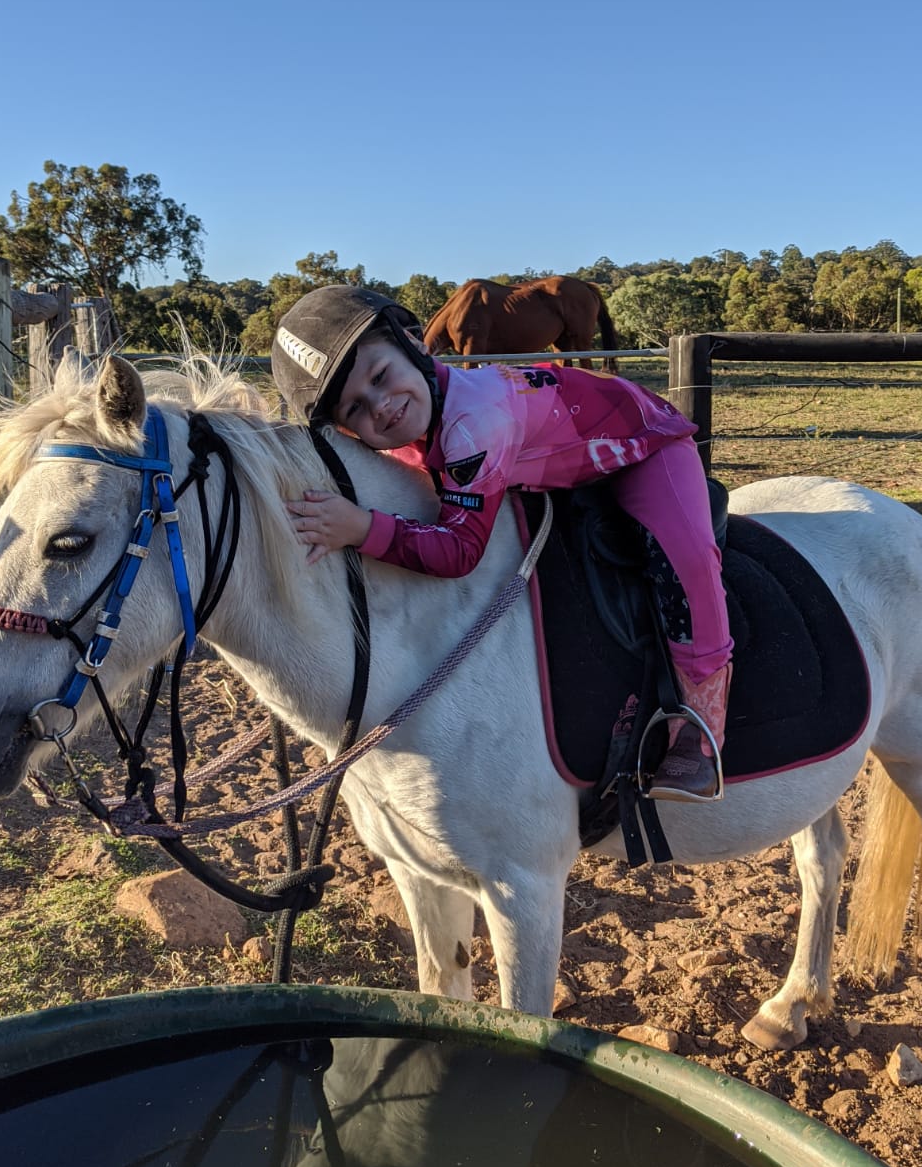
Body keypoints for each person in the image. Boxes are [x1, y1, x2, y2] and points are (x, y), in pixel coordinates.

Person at [271, 286, 732, 803]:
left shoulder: (476, 421)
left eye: (381, 377)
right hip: (562, 459)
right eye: (355, 408)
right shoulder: (421, 416)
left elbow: (459, 551)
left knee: (685, 558)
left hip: (642, 444)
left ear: (414, 345)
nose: (381, 408)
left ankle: (700, 724)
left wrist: (362, 528)